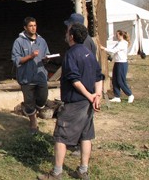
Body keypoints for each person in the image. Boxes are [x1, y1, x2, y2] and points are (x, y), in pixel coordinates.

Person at [38, 23, 103, 180]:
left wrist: (90, 96)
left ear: (72, 36)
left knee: (61, 137)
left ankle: (56, 173)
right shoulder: (88, 53)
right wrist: (97, 96)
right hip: (88, 103)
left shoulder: (71, 54)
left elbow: (74, 79)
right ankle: (82, 171)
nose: (66, 35)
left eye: (67, 32)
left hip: (75, 103)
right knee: (85, 136)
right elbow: (98, 76)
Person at [11, 16, 50, 133]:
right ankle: (33, 123)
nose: (33, 28)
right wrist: (30, 56)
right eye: (30, 26)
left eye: (35, 25)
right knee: (29, 102)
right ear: (25, 27)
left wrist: (46, 59)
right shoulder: (19, 42)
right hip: (26, 77)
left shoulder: (42, 41)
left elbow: (46, 54)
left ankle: (35, 111)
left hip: (40, 75)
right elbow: (16, 60)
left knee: (43, 98)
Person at [100, 30, 134, 103]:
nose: (116, 36)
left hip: (122, 63)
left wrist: (103, 48)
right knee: (115, 80)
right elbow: (112, 51)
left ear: (121, 35)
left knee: (120, 80)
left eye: (117, 35)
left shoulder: (123, 43)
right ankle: (117, 96)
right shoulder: (119, 43)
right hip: (117, 63)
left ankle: (130, 94)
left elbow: (113, 51)